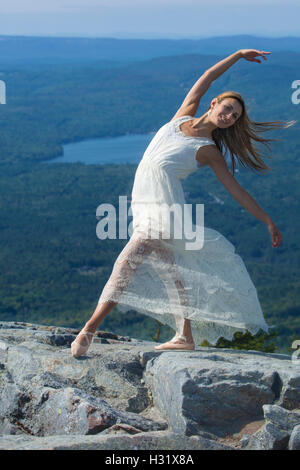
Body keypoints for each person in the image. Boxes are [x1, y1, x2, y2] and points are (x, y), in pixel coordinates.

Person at [71, 49, 294, 358]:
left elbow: (236, 190)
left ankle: (88, 330)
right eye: (228, 109)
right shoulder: (183, 116)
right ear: (215, 102)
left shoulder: (208, 150)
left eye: (235, 117)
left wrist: (267, 220)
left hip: (164, 210)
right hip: (145, 204)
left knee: (126, 262)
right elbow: (207, 77)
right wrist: (238, 55)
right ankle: (185, 335)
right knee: (172, 274)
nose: (229, 117)